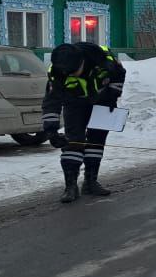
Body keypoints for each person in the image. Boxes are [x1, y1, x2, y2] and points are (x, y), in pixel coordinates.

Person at [42, 42, 126, 203]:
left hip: (103, 102)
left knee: (97, 142)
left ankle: (90, 182)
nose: (71, 75)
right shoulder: (57, 72)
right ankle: (70, 186)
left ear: (81, 62)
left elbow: (119, 75)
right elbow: (51, 102)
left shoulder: (104, 60)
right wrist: (51, 130)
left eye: (74, 72)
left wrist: (113, 95)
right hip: (74, 104)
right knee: (73, 142)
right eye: (68, 74)